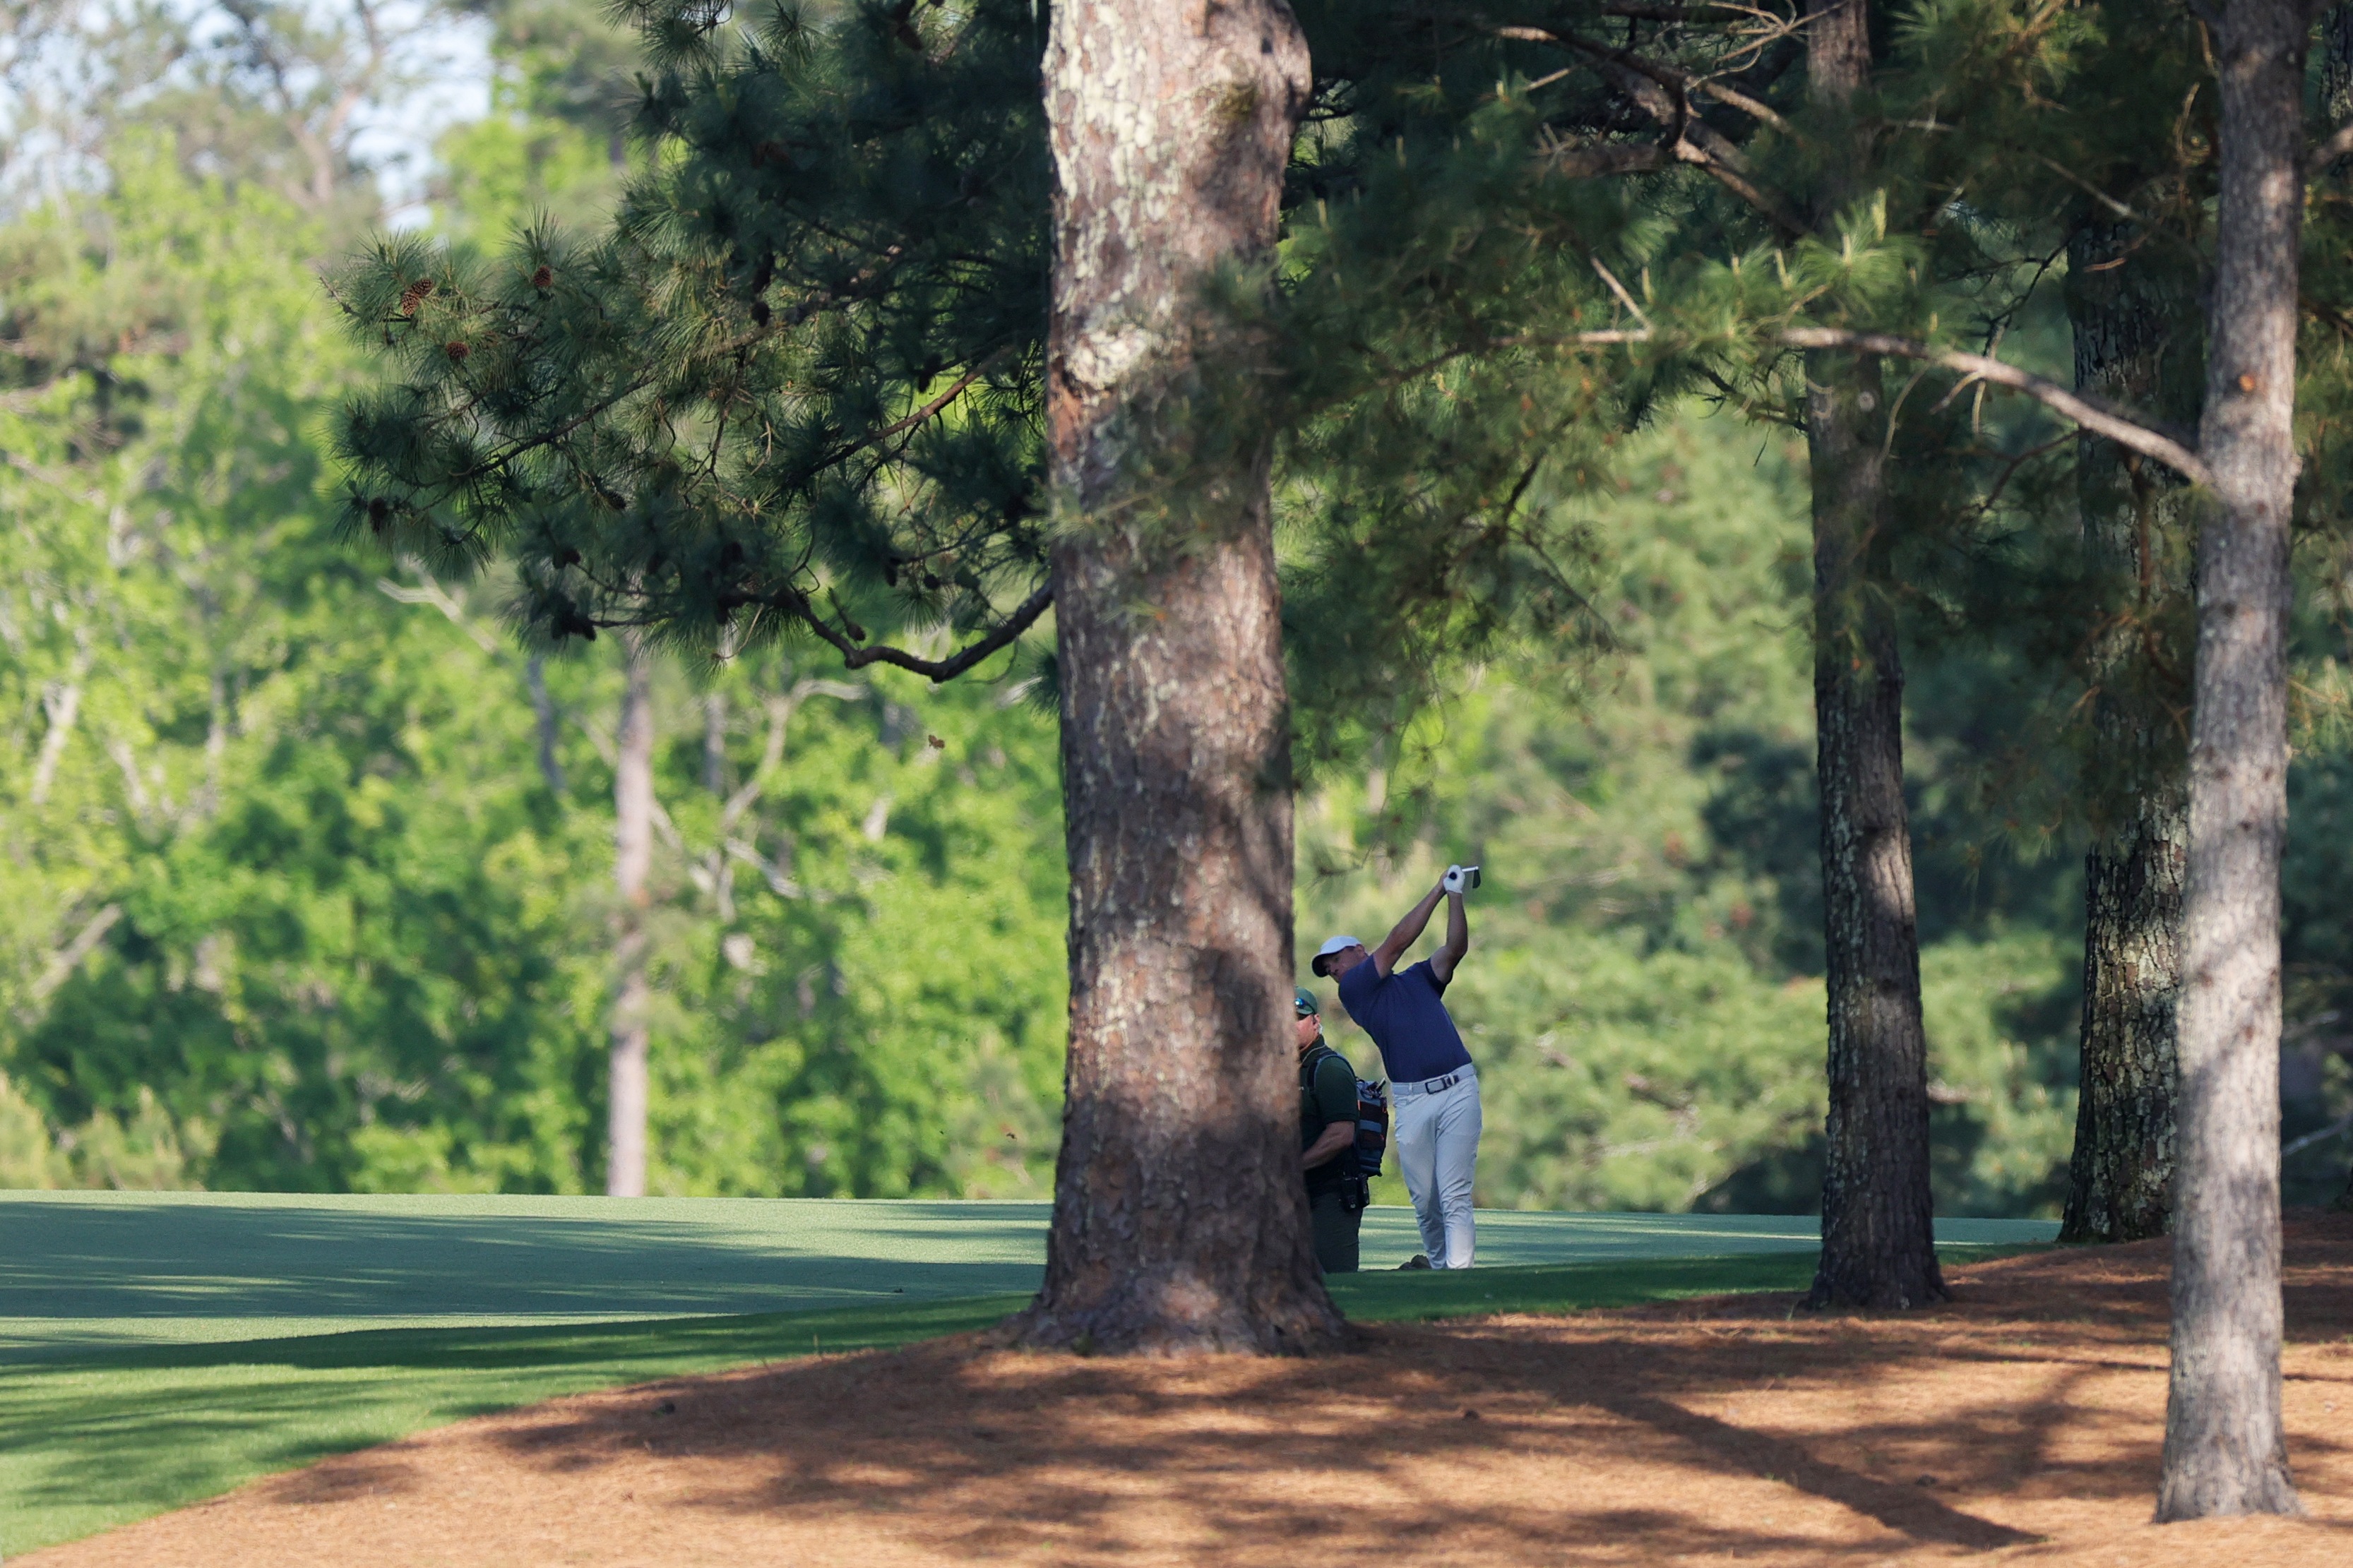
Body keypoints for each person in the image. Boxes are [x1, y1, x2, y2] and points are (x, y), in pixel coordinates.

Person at [1311, 866, 1479, 1269]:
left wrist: (1455, 894)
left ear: (1359, 952)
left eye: (1336, 959)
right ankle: (1442, 1269)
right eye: (1328, 968)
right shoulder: (1355, 989)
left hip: (1459, 1090)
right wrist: (1437, 887)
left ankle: (1459, 1277)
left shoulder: (1419, 979)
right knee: (1424, 1199)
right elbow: (1400, 941)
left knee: (1454, 1193)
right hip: (1412, 1099)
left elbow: (1454, 949)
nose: (1333, 970)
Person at [1295, 987, 1363, 1273]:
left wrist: (1291, 1168)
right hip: (1286, 1193)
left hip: (1328, 1194)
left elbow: (1341, 1135)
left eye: (1297, 1017)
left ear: (1315, 1021)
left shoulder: (1329, 1069)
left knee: (1337, 1282)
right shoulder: (1267, 1070)